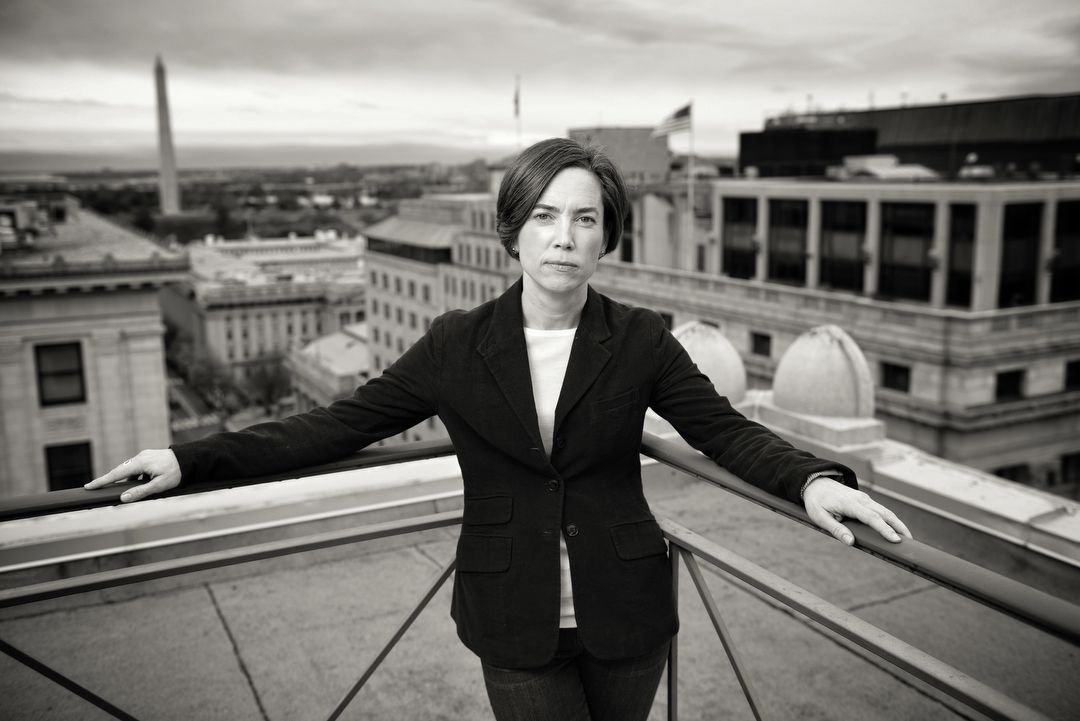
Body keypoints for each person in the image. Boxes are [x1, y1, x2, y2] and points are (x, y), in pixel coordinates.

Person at [86, 137, 911, 721]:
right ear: (513, 231)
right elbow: (336, 425)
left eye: (585, 219)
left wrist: (813, 479)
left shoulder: (639, 339)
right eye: (546, 216)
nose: (565, 238)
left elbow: (724, 430)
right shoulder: (456, 344)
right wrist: (190, 459)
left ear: (607, 236)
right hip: (514, 618)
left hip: (627, 614)